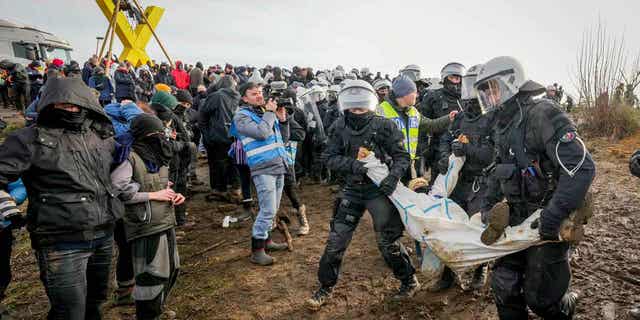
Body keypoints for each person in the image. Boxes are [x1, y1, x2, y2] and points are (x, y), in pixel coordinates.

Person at [477, 56, 595, 319]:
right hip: (515, 220)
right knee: (504, 287)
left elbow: (582, 168)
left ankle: (567, 304)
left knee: (541, 300)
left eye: (493, 88)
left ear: (511, 83)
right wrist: (487, 208)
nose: (489, 96)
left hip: (548, 218)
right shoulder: (501, 125)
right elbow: (496, 172)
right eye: (485, 92)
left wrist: (552, 217)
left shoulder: (543, 114)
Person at [0, 77, 123, 319]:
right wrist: (6, 204)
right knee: (69, 311)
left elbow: (118, 171)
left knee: (95, 302)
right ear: (48, 104)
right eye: (62, 104)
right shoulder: (29, 139)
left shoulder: (101, 136)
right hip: (61, 241)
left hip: (103, 235)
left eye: (75, 104)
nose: (70, 108)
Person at [306, 80, 418, 311]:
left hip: (378, 191)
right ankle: (325, 286)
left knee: (388, 242)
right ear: (346, 107)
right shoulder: (339, 126)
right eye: (353, 108)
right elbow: (328, 157)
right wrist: (353, 166)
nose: (358, 112)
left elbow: (402, 156)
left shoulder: (384, 126)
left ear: (371, 105)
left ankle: (408, 280)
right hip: (352, 190)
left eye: (362, 108)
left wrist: (393, 177)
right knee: (336, 241)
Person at [111, 113, 183, 319]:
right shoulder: (130, 156)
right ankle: (147, 315)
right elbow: (119, 188)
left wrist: (174, 194)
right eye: (155, 133)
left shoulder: (159, 155)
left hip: (165, 221)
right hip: (144, 224)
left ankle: (157, 310)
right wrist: (153, 194)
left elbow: (159, 184)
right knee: (151, 275)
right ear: (142, 135)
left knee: (171, 269)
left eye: (161, 132)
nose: (160, 137)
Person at [434, 64, 495, 292]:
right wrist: (443, 156)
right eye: (469, 85)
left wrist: (465, 150)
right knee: (451, 226)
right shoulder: (460, 117)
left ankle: (481, 269)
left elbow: (491, 154)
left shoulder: (494, 118)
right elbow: (444, 140)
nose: (470, 92)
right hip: (459, 180)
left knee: (478, 226)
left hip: (483, 181)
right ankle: (449, 274)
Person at [230, 82, 290, 266]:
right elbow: (262, 133)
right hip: (263, 168)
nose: (259, 95)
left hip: (279, 165)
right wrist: (270, 114)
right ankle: (257, 251)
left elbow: (284, 138)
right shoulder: (241, 116)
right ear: (244, 98)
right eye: (254, 93)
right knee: (268, 210)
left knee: (273, 209)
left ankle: (267, 241)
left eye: (260, 92)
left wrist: (282, 120)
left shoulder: (264, 113)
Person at [377, 75, 451, 183]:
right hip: (388, 167)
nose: (417, 95)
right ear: (404, 94)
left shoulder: (413, 112)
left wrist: (449, 118)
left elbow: (431, 125)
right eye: (414, 92)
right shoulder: (381, 111)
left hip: (407, 166)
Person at [419, 62, 466, 186]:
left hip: (463, 150)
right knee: (439, 188)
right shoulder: (433, 97)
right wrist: (423, 153)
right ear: (445, 78)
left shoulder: (467, 98)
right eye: (453, 77)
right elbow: (422, 126)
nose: (457, 81)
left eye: (459, 78)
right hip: (438, 151)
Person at [199, 76, 242, 202]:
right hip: (234, 137)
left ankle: (220, 189)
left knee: (218, 163)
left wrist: (206, 135)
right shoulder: (238, 97)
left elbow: (203, 115)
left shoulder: (216, 96)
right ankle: (235, 189)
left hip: (218, 137)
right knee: (234, 163)